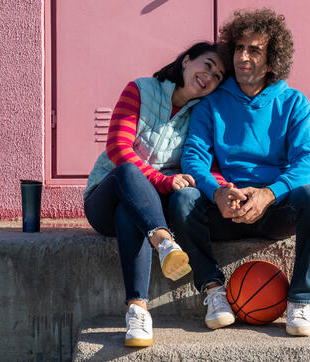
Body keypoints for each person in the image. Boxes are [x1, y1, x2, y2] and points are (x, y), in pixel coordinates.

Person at [168, 9, 310, 336]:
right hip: (225, 207)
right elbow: (194, 159)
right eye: (239, 48)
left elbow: (306, 164)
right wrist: (217, 193)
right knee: (183, 199)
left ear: (272, 61)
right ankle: (214, 292)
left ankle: (299, 301)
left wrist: (269, 194)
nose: (243, 57)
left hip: (275, 208)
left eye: (254, 51)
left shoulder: (294, 103)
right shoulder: (211, 104)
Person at [83, 42, 228, 347]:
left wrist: (223, 189)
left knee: (129, 212)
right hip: (103, 199)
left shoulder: (200, 115)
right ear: (187, 61)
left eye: (217, 76)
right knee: (128, 171)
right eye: (207, 64)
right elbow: (118, 149)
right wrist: (162, 180)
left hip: (140, 211)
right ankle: (164, 241)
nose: (209, 76)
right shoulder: (141, 89)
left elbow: (201, 163)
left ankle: (138, 312)